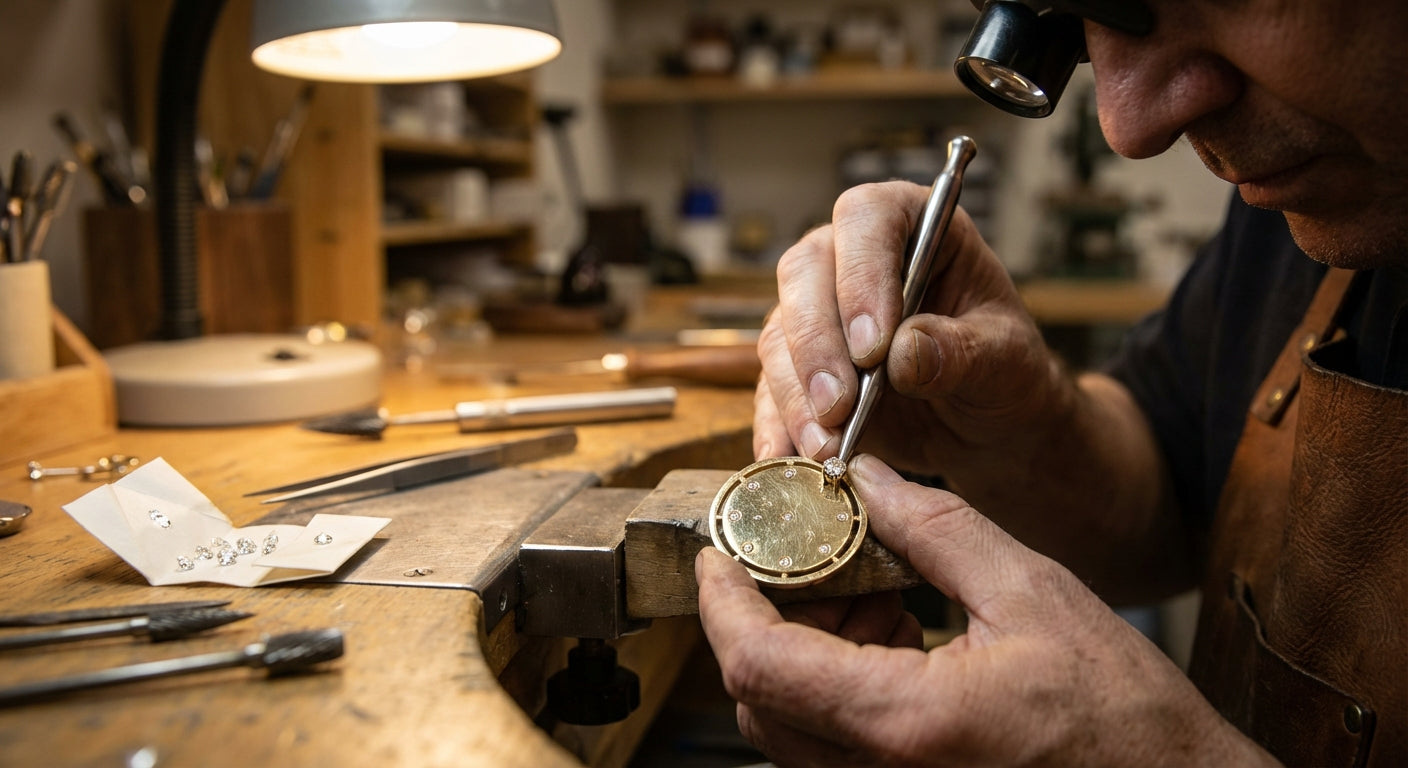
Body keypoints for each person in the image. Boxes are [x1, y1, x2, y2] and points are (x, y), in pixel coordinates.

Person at [694, 1, 1408, 765]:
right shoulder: (1312, 202)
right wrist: (1022, 432)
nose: (1127, 126)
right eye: (1080, 32)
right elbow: (1170, 486)